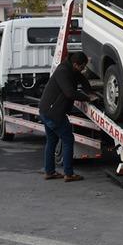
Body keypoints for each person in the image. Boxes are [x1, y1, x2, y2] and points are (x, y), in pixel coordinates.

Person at [38, 52, 99, 181]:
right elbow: (69, 93)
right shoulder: (63, 71)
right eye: (82, 67)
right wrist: (87, 98)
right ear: (76, 64)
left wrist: (89, 91)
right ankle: (69, 174)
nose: (83, 69)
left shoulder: (71, 68)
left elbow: (82, 79)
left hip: (47, 111)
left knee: (52, 141)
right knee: (68, 140)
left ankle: (49, 172)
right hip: (54, 113)